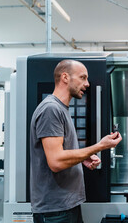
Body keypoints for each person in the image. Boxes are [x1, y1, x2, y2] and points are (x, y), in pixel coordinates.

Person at [30, 59, 122, 223]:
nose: (87, 84)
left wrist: (82, 158)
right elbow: (56, 161)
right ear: (65, 77)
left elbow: (60, 153)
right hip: (56, 211)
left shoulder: (61, 109)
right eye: (82, 78)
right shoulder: (51, 109)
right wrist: (99, 146)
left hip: (65, 206)